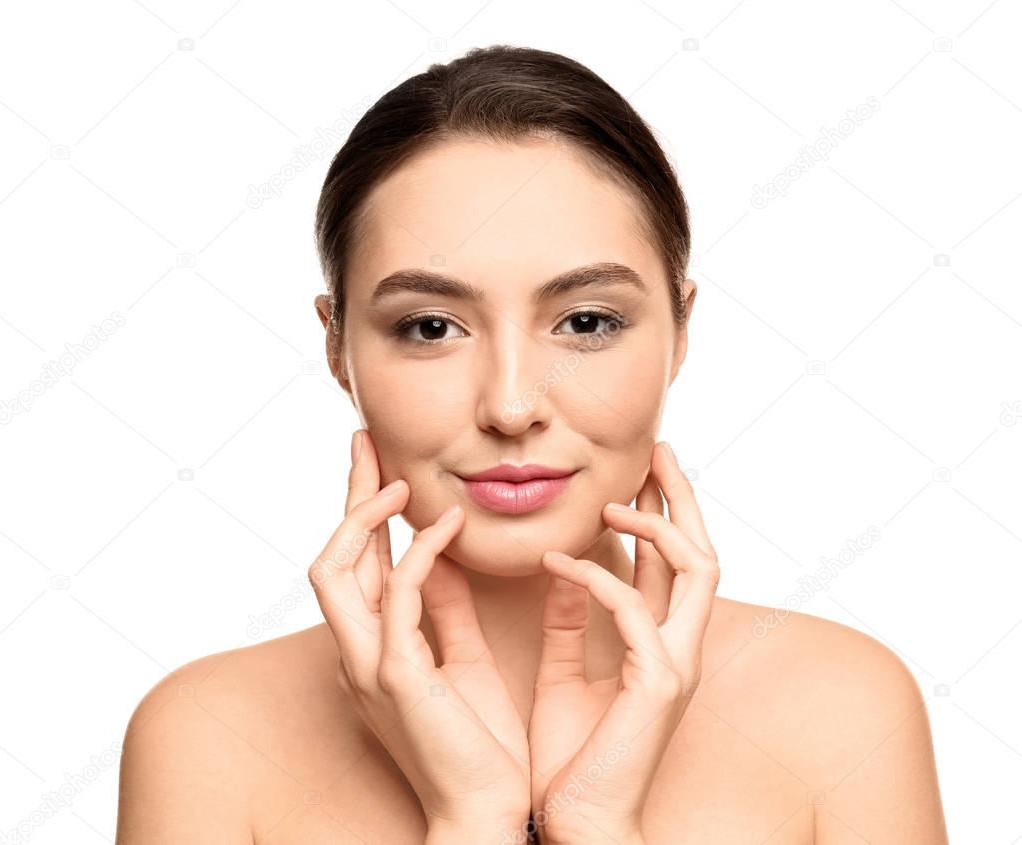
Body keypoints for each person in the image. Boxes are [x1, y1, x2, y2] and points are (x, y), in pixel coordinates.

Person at [115, 45, 949, 844]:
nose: (512, 404)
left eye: (586, 321)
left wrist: (595, 824)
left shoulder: (841, 711)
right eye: (430, 326)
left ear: (681, 327)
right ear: (337, 347)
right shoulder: (208, 737)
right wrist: (472, 819)